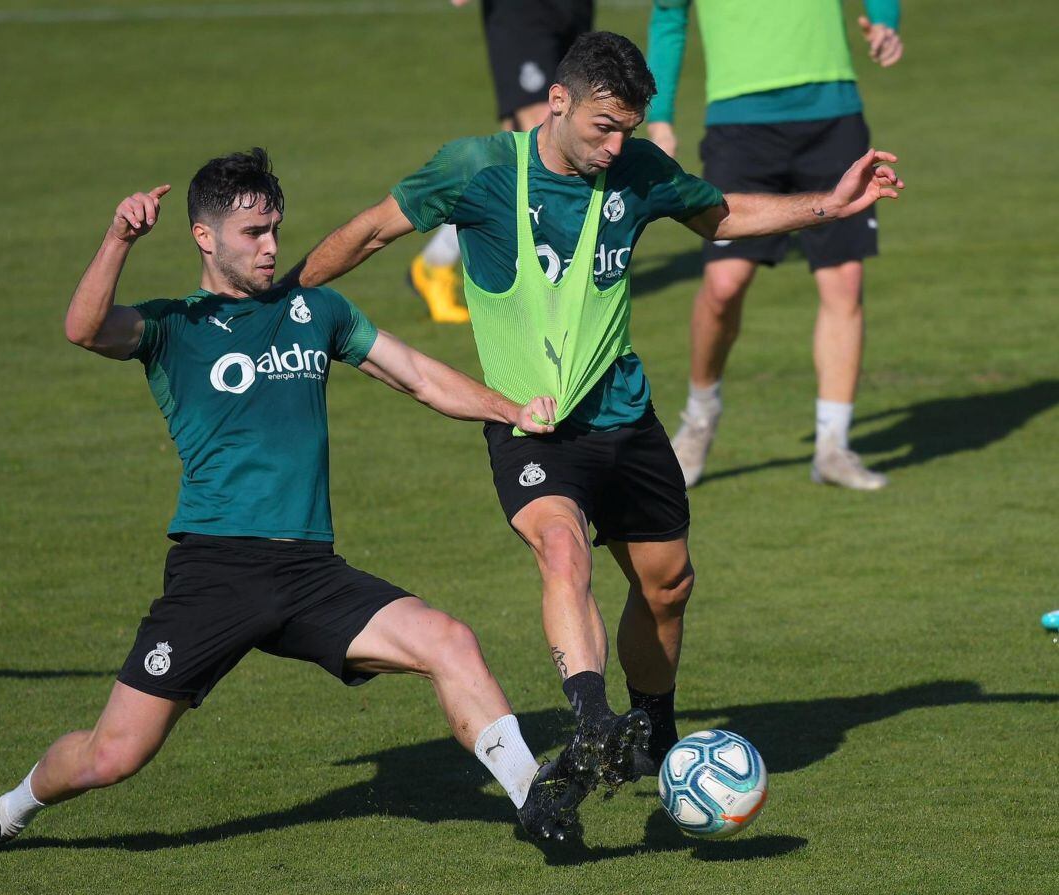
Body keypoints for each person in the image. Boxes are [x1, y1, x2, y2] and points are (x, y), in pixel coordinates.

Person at [289, 31, 902, 800]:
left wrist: (827, 205)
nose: (616, 145)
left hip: (625, 414)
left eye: (628, 130)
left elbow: (716, 213)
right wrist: (282, 301)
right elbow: (372, 229)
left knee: (668, 584)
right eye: (603, 126)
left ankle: (651, 731)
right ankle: (592, 721)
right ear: (558, 103)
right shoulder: (477, 170)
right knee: (561, 549)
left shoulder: (637, 172)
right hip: (533, 424)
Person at [0, 149, 585, 852]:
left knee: (448, 639)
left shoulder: (315, 310)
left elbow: (418, 375)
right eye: (252, 234)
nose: (272, 247)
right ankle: (7, 809)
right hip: (216, 573)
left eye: (274, 229)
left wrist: (513, 409)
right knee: (113, 755)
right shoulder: (174, 327)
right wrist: (118, 239)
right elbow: (84, 328)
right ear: (204, 237)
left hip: (309, 574)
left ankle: (532, 800)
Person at [646, 0, 904, 490]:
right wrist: (660, 116)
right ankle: (699, 420)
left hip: (833, 112)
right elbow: (669, 17)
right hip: (739, 124)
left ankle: (833, 445)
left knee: (844, 281)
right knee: (723, 285)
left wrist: (885, 20)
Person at [410, 0, 595, 324]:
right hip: (522, 12)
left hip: (572, 9)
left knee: (513, 156)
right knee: (548, 131)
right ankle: (551, 278)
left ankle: (435, 264)